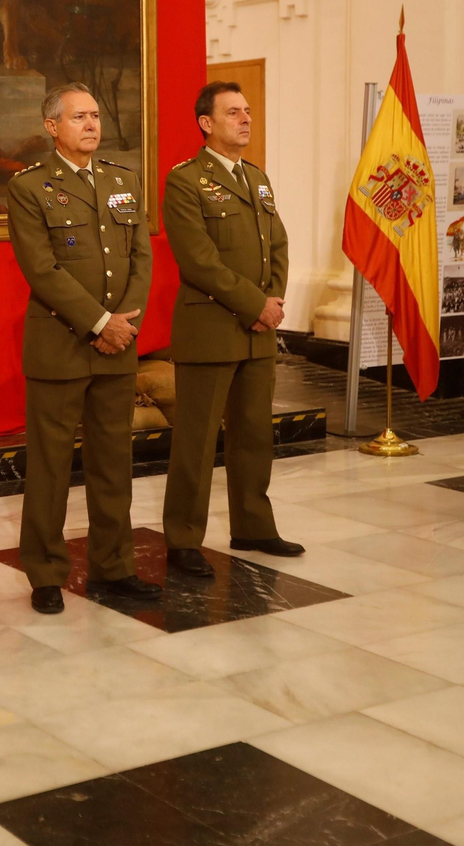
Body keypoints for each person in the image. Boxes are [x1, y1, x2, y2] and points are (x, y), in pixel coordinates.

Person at [5, 83, 158, 614]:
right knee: (50, 468)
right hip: (61, 345)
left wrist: (124, 323)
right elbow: (41, 269)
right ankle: (45, 574)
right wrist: (98, 323)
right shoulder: (30, 186)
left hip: (119, 345)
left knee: (114, 463)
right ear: (52, 127)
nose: (92, 125)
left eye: (95, 116)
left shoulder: (123, 180)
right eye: (79, 117)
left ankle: (114, 568)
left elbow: (141, 258)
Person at [161, 81, 303, 573]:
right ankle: (183, 539)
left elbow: (278, 245)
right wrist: (255, 304)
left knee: (254, 434)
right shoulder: (185, 181)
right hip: (211, 328)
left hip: (258, 330)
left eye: (247, 111)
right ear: (206, 123)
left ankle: (253, 526)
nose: (246, 119)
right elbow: (199, 261)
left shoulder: (256, 178)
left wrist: (273, 301)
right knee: (197, 442)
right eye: (233, 112)